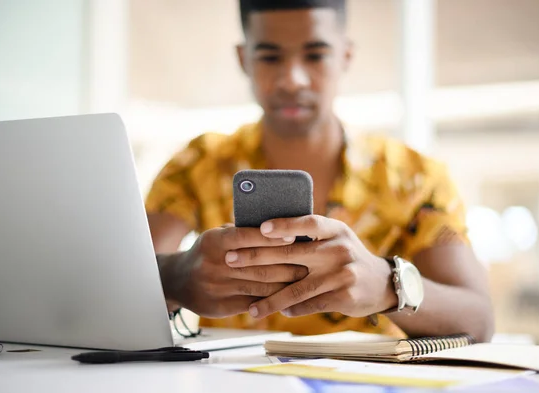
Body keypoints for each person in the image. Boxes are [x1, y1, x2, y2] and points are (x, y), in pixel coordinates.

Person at [147, 0, 494, 341]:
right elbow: (113, 283)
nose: (293, 80)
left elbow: (478, 320)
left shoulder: (415, 177)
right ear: (243, 59)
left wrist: (388, 285)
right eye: (270, 56)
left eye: (315, 55)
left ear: (345, 55)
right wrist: (175, 275)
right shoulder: (198, 164)